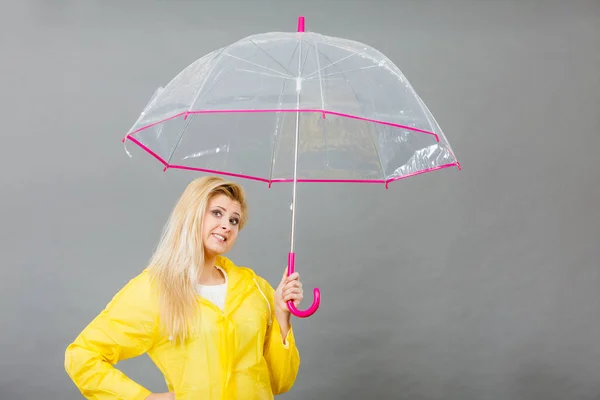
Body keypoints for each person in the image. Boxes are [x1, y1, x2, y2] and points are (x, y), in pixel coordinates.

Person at [64, 176, 304, 399]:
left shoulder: (255, 288)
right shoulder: (157, 289)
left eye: (234, 220)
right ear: (192, 214)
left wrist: (282, 316)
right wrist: (144, 398)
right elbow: (83, 357)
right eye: (217, 213)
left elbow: (278, 382)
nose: (227, 226)